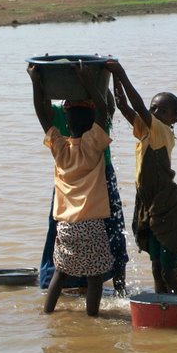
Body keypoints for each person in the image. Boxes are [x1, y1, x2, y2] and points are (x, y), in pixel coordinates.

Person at [28, 62, 114, 316]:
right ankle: (92, 317)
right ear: (92, 125)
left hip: (66, 225)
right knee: (96, 276)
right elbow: (103, 109)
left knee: (61, 271)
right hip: (92, 223)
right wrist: (87, 79)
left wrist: (35, 80)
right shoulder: (94, 145)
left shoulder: (60, 149)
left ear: (65, 122)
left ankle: (47, 314)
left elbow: (42, 115)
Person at [106, 60, 177, 295]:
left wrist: (121, 72)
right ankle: (162, 310)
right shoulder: (146, 131)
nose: (155, 113)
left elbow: (137, 105)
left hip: (168, 208)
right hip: (150, 205)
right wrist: (113, 77)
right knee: (156, 268)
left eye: (162, 110)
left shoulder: (162, 132)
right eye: (154, 109)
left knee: (168, 272)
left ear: (174, 119)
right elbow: (123, 105)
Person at [38, 90, 129, 295]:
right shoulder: (91, 111)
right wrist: (97, 82)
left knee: (68, 231)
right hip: (96, 177)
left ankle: (60, 288)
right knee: (110, 230)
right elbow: (108, 108)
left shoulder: (64, 111)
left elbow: (41, 107)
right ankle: (117, 288)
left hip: (71, 182)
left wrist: (39, 82)